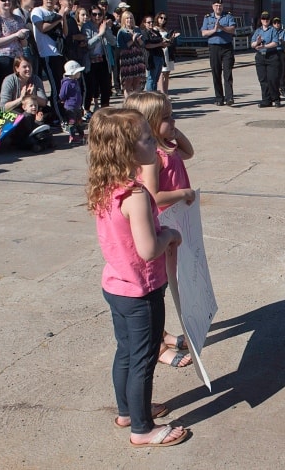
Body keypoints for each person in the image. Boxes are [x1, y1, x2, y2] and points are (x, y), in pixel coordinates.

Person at [86, 107, 190, 447]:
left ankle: (128, 412)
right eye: (147, 139)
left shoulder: (105, 186)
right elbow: (148, 249)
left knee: (126, 352)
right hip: (141, 292)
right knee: (144, 360)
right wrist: (170, 235)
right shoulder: (136, 196)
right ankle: (142, 429)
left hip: (116, 286)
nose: (154, 143)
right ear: (127, 150)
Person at [124, 92, 195, 369]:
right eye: (166, 117)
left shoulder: (167, 147)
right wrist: (183, 193)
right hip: (162, 225)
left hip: (175, 222)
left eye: (172, 114)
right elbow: (154, 195)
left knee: (167, 282)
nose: (173, 120)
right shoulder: (152, 157)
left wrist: (172, 129)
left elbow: (189, 152)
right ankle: (159, 346)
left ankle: (162, 334)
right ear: (149, 124)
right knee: (159, 286)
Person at [31, 0, 69, 126]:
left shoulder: (56, 13)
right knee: (55, 87)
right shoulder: (37, 11)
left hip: (59, 53)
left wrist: (62, 17)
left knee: (62, 86)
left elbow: (65, 33)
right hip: (46, 54)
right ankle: (59, 117)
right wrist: (59, 17)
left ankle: (60, 114)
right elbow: (42, 28)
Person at [0, 0, 29, 87]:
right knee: (8, 88)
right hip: (3, 58)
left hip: (18, 58)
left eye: (9, 0)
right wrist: (15, 35)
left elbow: (25, 44)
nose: (7, 2)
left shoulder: (18, 18)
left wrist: (22, 36)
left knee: (20, 87)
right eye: (3, 0)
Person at [201, 0, 236, 106]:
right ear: (212, 6)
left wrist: (221, 27)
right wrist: (214, 30)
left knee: (227, 73)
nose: (218, 7)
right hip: (214, 47)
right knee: (216, 73)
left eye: (220, 5)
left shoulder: (228, 16)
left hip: (226, 47)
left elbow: (232, 29)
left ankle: (229, 98)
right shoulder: (207, 17)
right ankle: (219, 98)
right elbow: (204, 33)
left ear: (223, 6)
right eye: (216, 5)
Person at [82, 5, 116, 114]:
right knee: (90, 87)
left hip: (103, 60)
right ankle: (86, 110)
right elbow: (88, 45)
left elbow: (113, 42)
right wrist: (100, 34)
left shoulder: (104, 25)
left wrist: (105, 30)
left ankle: (105, 109)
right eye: (94, 14)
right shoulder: (86, 26)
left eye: (99, 14)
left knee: (106, 87)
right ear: (90, 15)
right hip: (90, 61)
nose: (97, 17)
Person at [250, 11, 281, 108]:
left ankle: (276, 99)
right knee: (263, 80)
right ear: (261, 20)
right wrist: (257, 42)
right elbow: (252, 44)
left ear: (269, 19)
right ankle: (266, 100)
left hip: (271, 56)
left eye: (267, 18)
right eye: (263, 18)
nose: (265, 20)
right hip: (260, 57)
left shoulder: (273, 30)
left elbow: (275, 43)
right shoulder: (258, 31)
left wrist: (264, 46)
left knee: (272, 79)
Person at [116, 11, 146, 98]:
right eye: (127, 18)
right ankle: (128, 102)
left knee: (137, 81)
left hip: (138, 57)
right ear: (123, 20)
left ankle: (136, 101)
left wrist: (140, 41)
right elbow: (122, 46)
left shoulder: (137, 29)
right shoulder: (121, 32)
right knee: (128, 82)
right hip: (127, 59)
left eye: (131, 18)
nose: (129, 20)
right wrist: (132, 39)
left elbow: (143, 45)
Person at [59, 60, 86, 144]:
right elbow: (62, 94)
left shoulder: (75, 81)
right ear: (73, 73)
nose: (80, 73)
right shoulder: (67, 83)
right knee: (72, 122)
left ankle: (81, 135)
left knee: (79, 122)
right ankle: (72, 136)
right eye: (78, 72)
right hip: (70, 107)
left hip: (77, 106)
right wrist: (63, 100)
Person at [140, 15, 168, 92]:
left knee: (156, 78)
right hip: (151, 57)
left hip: (159, 56)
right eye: (148, 22)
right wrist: (160, 44)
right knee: (151, 78)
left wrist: (166, 42)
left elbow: (161, 41)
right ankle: (149, 96)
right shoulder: (144, 32)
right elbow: (147, 45)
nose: (151, 23)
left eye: (152, 22)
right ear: (144, 23)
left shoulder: (155, 32)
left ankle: (154, 94)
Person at [155, 12, 179, 95]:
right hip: (161, 52)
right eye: (161, 18)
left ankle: (166, 92)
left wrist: (172, 37)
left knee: (167, 73)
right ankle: (162, 93)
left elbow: (169, 41)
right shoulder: (155, 29)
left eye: (165, 18)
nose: (163, 20)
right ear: (157, 18)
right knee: (161, 73)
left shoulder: (166, 29)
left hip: (168, 52)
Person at [271, 17, 285, 96]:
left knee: (282, 71)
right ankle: (274, 89)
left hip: (280, 52)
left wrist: (281, 41)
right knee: (273, 72)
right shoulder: (270, 32)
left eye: (278, 23)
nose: (277, 24)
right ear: (272, 24)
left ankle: (283, 89)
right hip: (273, 52)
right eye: (275, 23)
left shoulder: (283, 32)